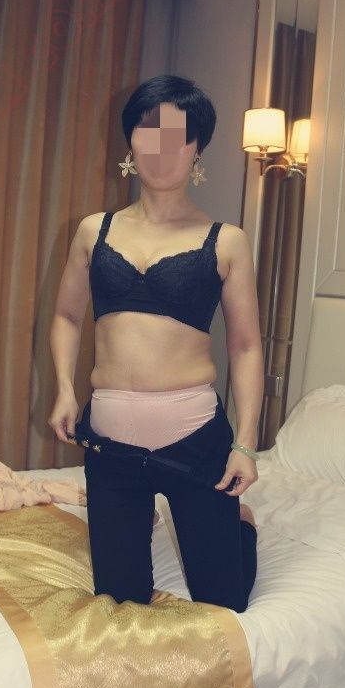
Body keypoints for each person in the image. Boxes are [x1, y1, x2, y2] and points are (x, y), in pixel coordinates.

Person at [48, 74, 263, 612]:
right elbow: (67, 317)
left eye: (178, 136)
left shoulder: (227, 240)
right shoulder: (93, 230)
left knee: (223, 603)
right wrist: (65, 390)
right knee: (120, 600)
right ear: (130, 143)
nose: (162, 149)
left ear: (197, 149)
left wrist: (245, 444)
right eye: (149, 132)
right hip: (112, 448)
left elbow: (245, 347)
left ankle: (242, 527)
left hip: (195, 441)